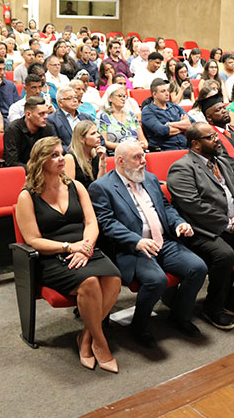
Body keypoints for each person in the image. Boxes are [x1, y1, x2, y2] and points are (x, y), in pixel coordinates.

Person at [15, 137, 121, 372]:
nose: (62, 158)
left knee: (114, 279)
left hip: (85, 247)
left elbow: (92, 222)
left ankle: (86, 337)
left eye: (61, 153)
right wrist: (68, 247)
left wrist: (85, 246)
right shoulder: (27, 196)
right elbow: (33, 240)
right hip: (53, 257)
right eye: (54, 155)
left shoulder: (76, 186)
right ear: (40, 161)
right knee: (90, 283)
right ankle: (100, 344)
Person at [89, 142, 207, 346]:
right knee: (156, 280)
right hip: (132, 248)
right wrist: (137, 241)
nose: (143, 161)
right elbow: (107, 224)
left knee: (198, 268)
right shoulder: (101, 187)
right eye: (137, 157)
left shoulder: (150, 179)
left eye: (143, 156)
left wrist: (179, 223)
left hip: (163, 240)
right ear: (120, 161)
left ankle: (180, 316)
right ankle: (139, 325)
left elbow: (166, 208)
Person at [167, 122, 234, 330]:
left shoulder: (221, 162)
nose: (217, 140)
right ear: (196, 144)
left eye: (216, 135)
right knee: (224, 255)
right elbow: (194, 207)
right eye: (211, 137)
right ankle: (213, 307)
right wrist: (228, 224)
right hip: (202, 230)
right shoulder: (182, 167)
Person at [4, 97, 56, 167]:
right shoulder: (12, 130)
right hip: (21, 172)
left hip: (43, 170)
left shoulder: (47, 128)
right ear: (28, 114)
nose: (46, 117)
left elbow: (53, 154)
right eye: (41, 114)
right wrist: (36, 170)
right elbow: (11, 162)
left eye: (46, 113)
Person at [141, 79, 191, 151]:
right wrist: (183, 126)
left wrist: (170, 124)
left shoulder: (175, 107)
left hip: (186, 148)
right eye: (163, 91)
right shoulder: (148, 111)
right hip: (165, 150)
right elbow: (162, 131)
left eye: (167, 90)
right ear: (155, 95)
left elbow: (192, 124)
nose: (167, 93)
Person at [97, 83, 148, 152]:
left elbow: (143, 140)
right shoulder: (103, 116)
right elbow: (104, 142)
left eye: (124, 96)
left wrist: (143, 144)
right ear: (110, 98)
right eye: (120, 96)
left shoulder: (131, 114)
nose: (123, 99)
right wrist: (127, 147)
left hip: (137, 151)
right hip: (118, 152)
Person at [48, 85, 94, 149]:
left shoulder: (87, 117)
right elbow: (54, 145)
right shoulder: (52, 120)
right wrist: (75, 152)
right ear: (60, 103)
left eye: (76, 97)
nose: (75, 100)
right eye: (69, 98)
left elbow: (99, 138)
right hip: (68, 156)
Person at [64, 121, 107, 188]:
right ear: (81, 139)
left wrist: (102, 160)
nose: (99, 135)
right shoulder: (70, 158)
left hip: (96, 195)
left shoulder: (96, 154)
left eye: (97, 132)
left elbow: (101, 184)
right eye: (93, 134)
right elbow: (70, 188)